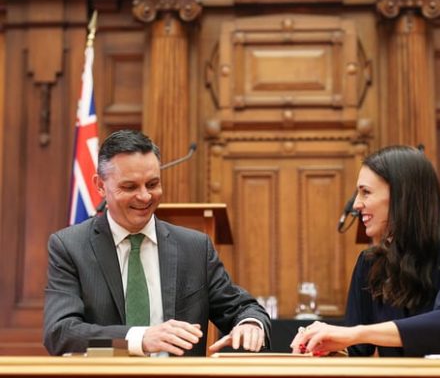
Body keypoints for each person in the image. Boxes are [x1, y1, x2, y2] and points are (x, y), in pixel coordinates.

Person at [44, 130, 270, 357]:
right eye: (130, 187)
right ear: (100, 185)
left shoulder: (194, 247)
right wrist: (140, 338)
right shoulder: (69, 247)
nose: (144, 197)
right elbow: (60, 333)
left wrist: (249, 324)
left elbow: (242, 308)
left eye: (152, 184)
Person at [291, 145, 440, 357]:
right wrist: (321, 348)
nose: (357, 205)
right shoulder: (369, 262)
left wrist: (356, 333)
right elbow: (357, 350)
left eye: (366, 193)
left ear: (402, 196)